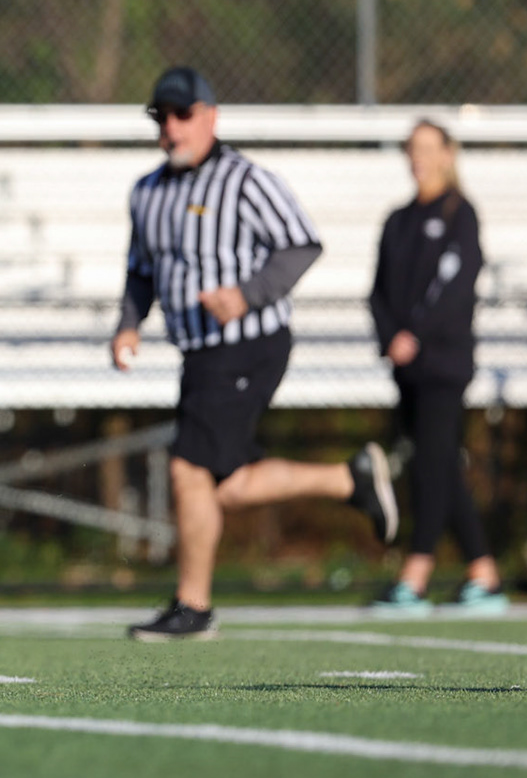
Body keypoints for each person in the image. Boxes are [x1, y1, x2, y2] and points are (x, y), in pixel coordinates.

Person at [111, 66, 396, 641]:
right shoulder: (147, 192)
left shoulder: (245, 181)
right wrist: (128, 326)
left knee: (189, 469)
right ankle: (350, 479)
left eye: (183, 115)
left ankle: (193, 606)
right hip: (199, 354)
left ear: (211, 117)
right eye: (162, 117)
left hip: (249, 343)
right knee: (227, 485)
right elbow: (141, 270)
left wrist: (245, 294)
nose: (171, 128)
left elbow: (301, 245)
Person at [368, 120, 504, 614]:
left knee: (433, 466)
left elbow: (455, 288)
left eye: (428, 148)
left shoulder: (460, 215)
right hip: (407, 369)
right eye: (412, 148)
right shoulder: (398, 220)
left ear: (448, 154)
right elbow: (378, 291)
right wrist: (391, 337)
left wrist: (417, 336)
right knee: (439, 465)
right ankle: (483, 574)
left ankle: (416, 575)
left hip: (444, 364)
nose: (418, 158)